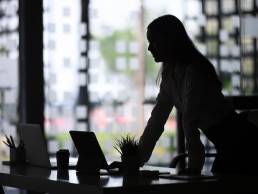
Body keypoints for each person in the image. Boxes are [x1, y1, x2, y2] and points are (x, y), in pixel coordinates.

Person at [137, 14, 258, 174]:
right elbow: (157, 120)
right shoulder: (170, 74)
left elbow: (189, 120)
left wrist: (194, 167)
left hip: (244, 143)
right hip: (234, 142)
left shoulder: (194, 70)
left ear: (169, 41)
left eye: (153, 41)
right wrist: (135, 160)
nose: (149, 48)